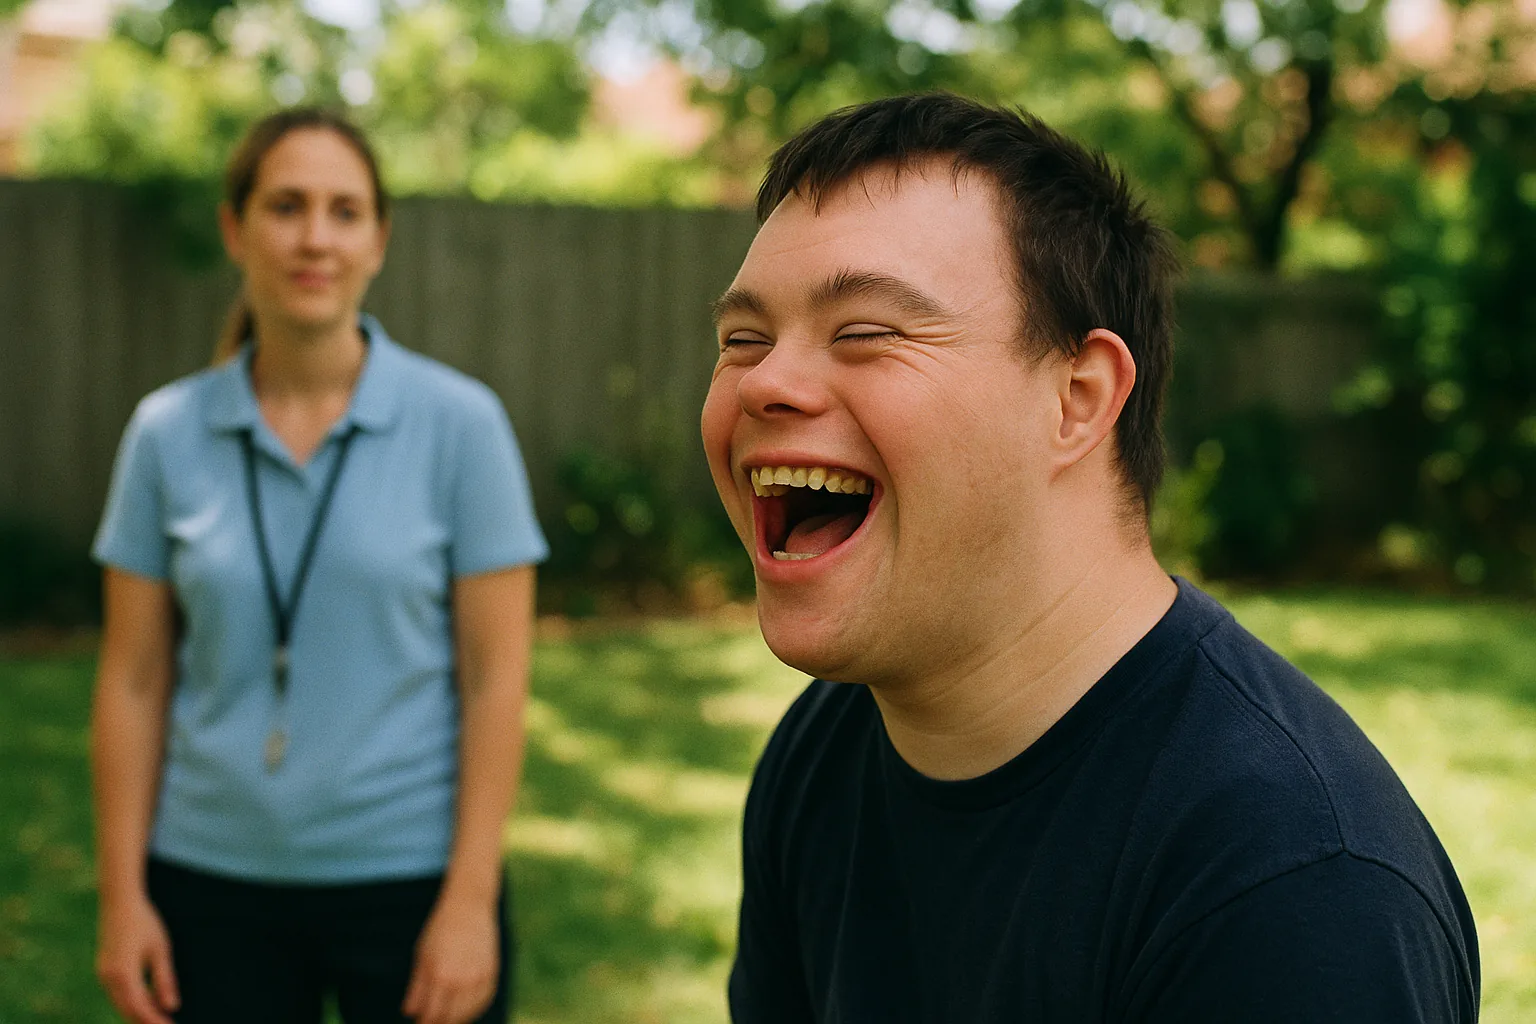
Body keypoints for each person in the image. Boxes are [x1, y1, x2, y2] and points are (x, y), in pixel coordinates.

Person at [703, 93, 1479, 1022]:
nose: (766, 382)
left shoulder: (1292, 889)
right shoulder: (821, 756)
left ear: (1077, 397)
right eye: (742, 340)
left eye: (866, 332)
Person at [90, 107, 547, 1024]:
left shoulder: (462, 425)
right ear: (236, 228)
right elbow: (134, 679)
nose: (314, 238)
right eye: (286, 206)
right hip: (209, 884)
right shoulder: (165, 434)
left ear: (379, 240)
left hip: (410, 880)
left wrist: (468, 899)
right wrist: (121, 894)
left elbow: (496, 679)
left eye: (344, 212)